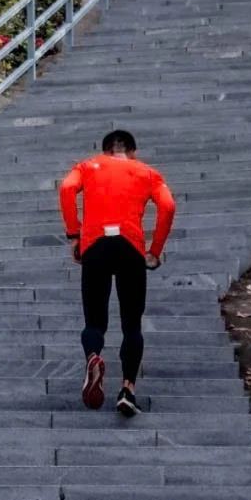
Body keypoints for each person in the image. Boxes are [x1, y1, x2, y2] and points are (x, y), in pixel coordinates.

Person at [58, 128, 176, 417]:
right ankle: (127, 390)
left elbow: (65, 189)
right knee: (131, 325)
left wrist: (75, 234)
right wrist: (155, 250)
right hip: (130, 248)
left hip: (95, 246)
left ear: (105, 150)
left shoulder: (87, 167)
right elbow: (168, 206)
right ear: (132, 152)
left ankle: (93, 356)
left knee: (94, 322)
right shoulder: (147, 173)